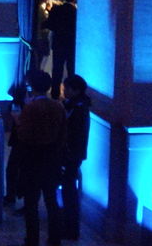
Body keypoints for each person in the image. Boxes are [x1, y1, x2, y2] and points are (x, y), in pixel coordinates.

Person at [16, 70, 67, 246]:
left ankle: (32, 240)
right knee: (52, 201)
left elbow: (23, 135)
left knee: (31, 204)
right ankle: (54, 239)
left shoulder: (31, 108)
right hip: (52, 159)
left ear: (32, 86)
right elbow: (63, 134)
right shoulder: (58, 107)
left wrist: (17, 121)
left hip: (33, 160)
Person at [60, 74, 91, 241]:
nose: (64, 91)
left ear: (76, 90)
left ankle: (71, 229)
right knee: (68, 190)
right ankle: (68, 226)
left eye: (67, 88)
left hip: (71, 154)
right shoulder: (76, 105)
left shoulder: (78, 109)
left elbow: (74, 134)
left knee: (69, 192)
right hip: (73, 154)